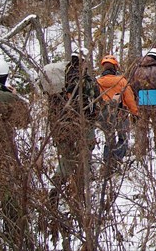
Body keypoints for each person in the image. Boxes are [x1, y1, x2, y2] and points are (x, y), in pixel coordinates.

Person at [0, 58, 30, 246]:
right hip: (0, 154)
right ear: (5, 77)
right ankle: (12, 235)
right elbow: (24, 120)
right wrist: (14, 97)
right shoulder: (7, 98)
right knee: (7, 193)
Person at [49, 46, 98, 203]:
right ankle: (74, 191)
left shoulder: (62, 76)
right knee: (82, 152)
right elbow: (92, 99)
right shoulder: (81, 79)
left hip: (59, 122)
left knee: (67, 156)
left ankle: (59, 187)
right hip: (80, 122)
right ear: (83, 61)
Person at [96, 55, 138, 165]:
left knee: (109, 140)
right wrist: (135, 113)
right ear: (115, 67)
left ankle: (107, 162)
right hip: (120, 113)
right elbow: (129, 99)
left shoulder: (97, 82)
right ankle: (117, 160)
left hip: (104, 115)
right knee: (122, 138)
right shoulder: (121, 81)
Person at [130, 48, 156, 157]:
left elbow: (132, 87)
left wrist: (134, 100)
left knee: (141, 127)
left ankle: (141, 150)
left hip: (141, 102)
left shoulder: (136, 71)